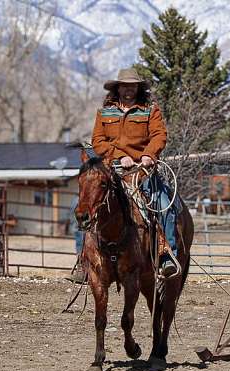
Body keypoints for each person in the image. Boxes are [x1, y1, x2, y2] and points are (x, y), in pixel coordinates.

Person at [91, 68, 178, 276]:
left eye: (132, 85)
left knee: (164, 206)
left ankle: (167, 255)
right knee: (87, 205)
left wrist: (149, 154)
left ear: (138, 88)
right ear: (117, 88)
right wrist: (119, 156)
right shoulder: (104, 112)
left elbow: (159, 135)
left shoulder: (150, 109)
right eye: (124, 85)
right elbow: (98, 141)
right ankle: (84, 260)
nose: (128, 89)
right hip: (113, 170)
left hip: (142, 171)